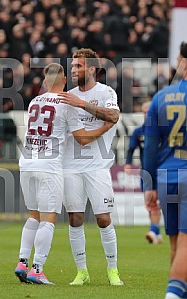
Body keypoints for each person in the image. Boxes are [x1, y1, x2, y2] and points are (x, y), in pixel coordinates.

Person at [15, 63, 113, 285]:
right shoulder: (66, 104)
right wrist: (105, 128)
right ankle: (37, 268)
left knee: (33, 215)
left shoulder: (34, 102)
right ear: (64, 81)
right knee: (48, 219)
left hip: (26, 162)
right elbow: (83, 139)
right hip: (49, 165)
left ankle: (22, 262)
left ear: (46, 81)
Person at [58, 48, 123, 286]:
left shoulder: (106, 92)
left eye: (79, 66)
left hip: (97, 166)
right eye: (73, 66)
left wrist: (82, 104)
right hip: (70, 166)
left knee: (103, 219)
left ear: (92, 69)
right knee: (75, 218)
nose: (74, 70)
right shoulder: (68, 97)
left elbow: (113, 116)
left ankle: (113, 270)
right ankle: (82, 271)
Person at [143, 42, 187, 299]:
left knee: (175, 243)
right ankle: (172, 295)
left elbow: (149, 148)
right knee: (185, 242)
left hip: (166, 176)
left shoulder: (161, 97)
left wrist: (148, 187)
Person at [124, 101, 163, 244]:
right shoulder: (139, 131)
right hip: (146, 172)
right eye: (145, 112)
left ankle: (154, 230)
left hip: (163, 171)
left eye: (150, 112)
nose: (148, 115)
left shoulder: (162, 131)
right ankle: (155, 231)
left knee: (161, 201)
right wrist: (128, 163)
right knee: (150, 201)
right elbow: (131, 149)